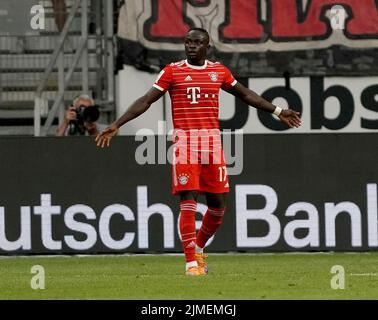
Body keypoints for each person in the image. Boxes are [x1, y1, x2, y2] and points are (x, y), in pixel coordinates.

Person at [95, 28, 301, 276]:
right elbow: (146, 100)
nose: (191, 46)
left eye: (197, 42)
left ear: (208, 45)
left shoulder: (218, 72)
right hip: (185, 144)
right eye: (188, 42)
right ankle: (191, 263)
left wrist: (278, 111)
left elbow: (245, 94)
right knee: (188, 199)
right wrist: (117, 123)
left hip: (212, 145)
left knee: (217, 208)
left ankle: (199, 246)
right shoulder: (172, 71)